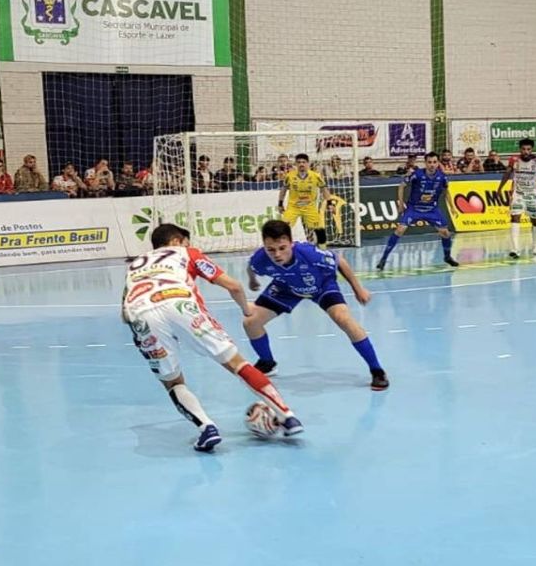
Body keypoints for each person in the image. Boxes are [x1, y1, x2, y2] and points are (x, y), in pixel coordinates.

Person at [121, 224, 303, 452]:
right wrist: (247, 310)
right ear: (177, 241)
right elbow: (233, 285)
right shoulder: (187, 253)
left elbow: (123, 313)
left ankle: (206, 428)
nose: (190, 245)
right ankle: (287, 416)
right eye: (187, 241)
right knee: (236, 363)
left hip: (140, 312)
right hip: (179, 302)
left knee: (172, 381)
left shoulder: (134, 266)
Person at [243, 220, 388, 390]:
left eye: (282, 248)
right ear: (264, 247)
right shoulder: (260, 259)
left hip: (321, 285)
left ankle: (377, 370)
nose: (277, 254)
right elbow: (251, 267)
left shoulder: (309, 253)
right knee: (250, 322)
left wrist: (358, 289)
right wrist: (252, 281)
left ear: (291, 243)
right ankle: (267, 363)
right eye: (271, 250)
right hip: (287, 287)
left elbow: (340, 262)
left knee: (344, 319)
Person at [375, 152, 459, 269]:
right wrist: (400, 203)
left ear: (437, 163)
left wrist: (452, 207)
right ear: (425, 163)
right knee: (400, 229)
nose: (432, 165)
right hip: (414, 208)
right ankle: (383, 259)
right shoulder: (417, 174)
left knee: (445, 233)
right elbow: (401, 186)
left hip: (432, 209)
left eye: (434, 162)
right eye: (429, 162)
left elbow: (447, 192)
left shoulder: (442, 176)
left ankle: (447, 257)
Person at [497, 138, 536, 259]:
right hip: (517, 193)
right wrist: (500, 188)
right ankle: (515, 249)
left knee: (535, 220)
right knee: (515, 217)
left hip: (532, 194)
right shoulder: (514, 160)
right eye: (523, 149)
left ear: (531, 149)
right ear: (520, 149)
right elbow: (507, 174)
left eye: (528, 149)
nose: (526, 151)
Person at [278, 153, 335, 248]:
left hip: (309, 207)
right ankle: (283, 248)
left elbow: (324, 189)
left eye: (304, 162)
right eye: (299, 162)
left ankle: (323, 250)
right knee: (283, 228)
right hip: (293, 207)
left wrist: (330, 203)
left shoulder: (316, 176)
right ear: (296, 164)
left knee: (319, 229)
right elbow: (283, 189)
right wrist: (280, 203)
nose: (301, 164)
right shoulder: (290, 176)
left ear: (308, 164)